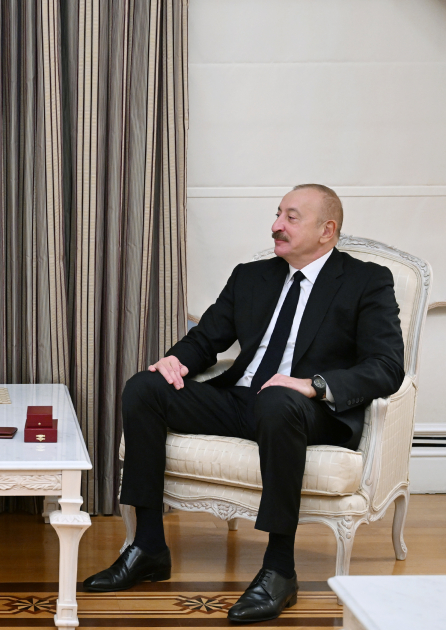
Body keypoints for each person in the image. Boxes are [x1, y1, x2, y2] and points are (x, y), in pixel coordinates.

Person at [83, 184, 404, 623]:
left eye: (291, 217)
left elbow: (387, 366)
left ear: (327, 230)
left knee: (277, 400)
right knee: (145, 387)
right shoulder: (252, 276)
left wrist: (314, 385)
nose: (276, 225)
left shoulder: (366, 281)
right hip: (241, 400)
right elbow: (206, 339)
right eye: (277, 214)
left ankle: (279, 569)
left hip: (308, 410)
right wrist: (177, 361)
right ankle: (148, 547)